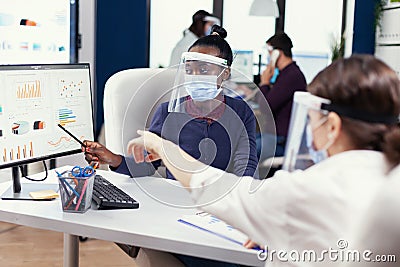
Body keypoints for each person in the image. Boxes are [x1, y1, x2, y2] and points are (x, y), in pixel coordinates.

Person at [127, 54, 400, 266]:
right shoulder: (391, 181)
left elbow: (208, 185)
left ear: (333, 127)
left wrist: (158, 144)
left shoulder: (303, 191)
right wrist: (277, 226)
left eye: (313, 121)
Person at [83, 25, 258, 181]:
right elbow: (146, 164)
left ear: (225, 73)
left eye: (203, 70)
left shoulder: (241, 112)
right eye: (189, 70)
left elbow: (246, 167)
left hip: (220, 202)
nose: (195, 76)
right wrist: (113, 158)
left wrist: (238, 201)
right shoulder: (167, 112)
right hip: (176, 201)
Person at [256, 32, 307, 161]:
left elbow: (265, 107)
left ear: (277, 53)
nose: (268, 56)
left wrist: (264, 82)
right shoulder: (286, 74)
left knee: (240, 152)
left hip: (279, 140)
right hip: (273, 136)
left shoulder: (292, 76)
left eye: (270, 51)